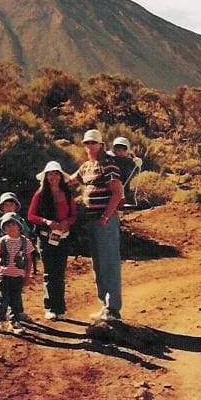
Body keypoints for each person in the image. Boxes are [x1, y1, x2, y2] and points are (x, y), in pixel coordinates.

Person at [70, 129, 125, 322]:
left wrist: (105, 216)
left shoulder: (108, 165)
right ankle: (105, 306)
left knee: (109, 262)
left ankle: (113, 309)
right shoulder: (86, 167)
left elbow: (118, 193)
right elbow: (70, 181)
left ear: (101, 145)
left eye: (93, 143)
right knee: (98, 264)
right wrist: (51, 176)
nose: (90, 146)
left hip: (105, 221)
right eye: (87, 143)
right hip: (91, 221)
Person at [27, 161, 77, 321]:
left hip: (62, 238)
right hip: (45, 237)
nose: (53, 177)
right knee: (49, 273)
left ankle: (60, 308)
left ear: (61, 176)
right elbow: (31, 216)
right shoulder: (40, 194)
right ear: (46, 176)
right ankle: (50, 307)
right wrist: (46, 222)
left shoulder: (68, 194)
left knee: (60, 273)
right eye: (50, 174)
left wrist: (66, 223)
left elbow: (73, 216)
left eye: (56, 174)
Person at [0, 212, 34, 335]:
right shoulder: (2, 241)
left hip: (18, 277)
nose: (10, 228)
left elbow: (29, 260)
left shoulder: (25, 242)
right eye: (7, 226)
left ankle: (14, 322)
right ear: (3, 229)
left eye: (13, 225)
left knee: (15, 299)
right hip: (4, 276)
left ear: (19, 226)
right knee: (1, 298)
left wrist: (27, 276)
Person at [0, 192, 39, 279]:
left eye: (11, 205)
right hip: (3, 251)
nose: (9, 208)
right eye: (6, 205)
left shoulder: (21, 221)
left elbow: (27, 235)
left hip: (19, 251)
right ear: (2, 208)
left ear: (15, 207)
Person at [110, 136, 142, 208]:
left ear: (127, 150)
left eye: (123, 150)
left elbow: (136, 169)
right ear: (114, 150)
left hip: (125, 187)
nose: (121, 152)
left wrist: (137, 162)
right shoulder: (110, 159)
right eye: (118, 150)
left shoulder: (129, 161)